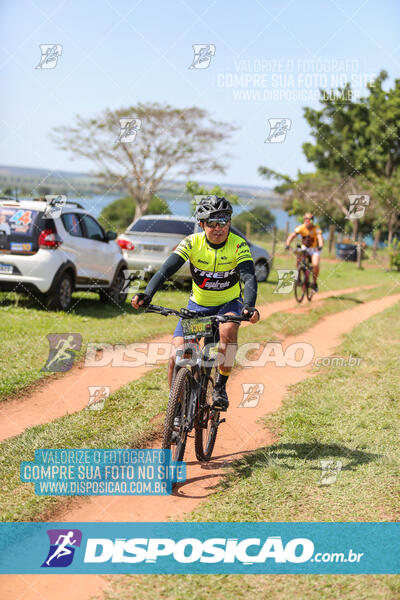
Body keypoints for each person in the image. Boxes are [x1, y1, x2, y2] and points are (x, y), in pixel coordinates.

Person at [131, 196, 260, 411]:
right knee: (177, 356)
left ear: (229, 223)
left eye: (223, 222)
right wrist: (148, 294)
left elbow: (248, 276)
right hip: (197, 307)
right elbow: (165, 270)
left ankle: (220, 386)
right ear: (201, 224)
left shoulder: (238, 245)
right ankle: (176, 407)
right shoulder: (192, 242)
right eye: (211, 223)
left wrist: (249, 305)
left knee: (228, 329)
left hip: (228, 304)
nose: (218, 228)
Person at [285, 212, 323, 292]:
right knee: (298, 259)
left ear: (312, 221)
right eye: (305, 219)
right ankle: (298, 276)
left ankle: (314, 283)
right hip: (304, 248)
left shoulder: (316, 228)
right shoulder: (301, 228)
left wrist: (320, 246)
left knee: (315, 265)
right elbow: (292, 236)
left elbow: (320, 238)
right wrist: (287, 243)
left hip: (314, 249)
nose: (306, 221)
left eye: (308, 220)